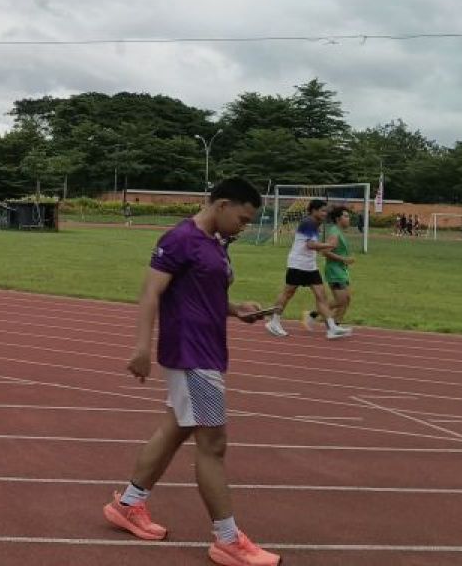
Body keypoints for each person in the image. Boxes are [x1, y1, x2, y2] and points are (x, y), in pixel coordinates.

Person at [102, 177, 281, 566]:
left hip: (207, 351)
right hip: (192, 355)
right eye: (242, 219)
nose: (244, 227)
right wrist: (141, 347)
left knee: (175, 429)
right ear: (222, 205)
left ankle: (128, 504)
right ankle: (228, 540)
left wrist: (236, 309)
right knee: (213, 445)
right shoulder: (180, 239)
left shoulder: (215, 243)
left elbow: (203, 294)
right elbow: (151, 292)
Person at [264, 200, 351, 339]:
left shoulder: (315, 223)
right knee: (288, 293)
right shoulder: (308, 222)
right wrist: (328, 245)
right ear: (314, 211)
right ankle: (274, 322)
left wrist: (335, 208)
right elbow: (310, 245)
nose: (325, 213)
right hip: (298, 263)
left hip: (310, 265)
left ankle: (332, 327)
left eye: (326, 211)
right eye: (322, 211)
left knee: (321, 296)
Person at [308, 205, 355, 328]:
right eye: (346, 216)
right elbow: (325, 252)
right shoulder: (334, 232)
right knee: (341, 300)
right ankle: (314, 315)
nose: (348, 219)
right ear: (338, 219)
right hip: (334, 271)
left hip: (341, 270)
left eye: (348, 216)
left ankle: (335, 325)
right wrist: (344, 259)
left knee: (346, 300)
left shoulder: (339, 232)